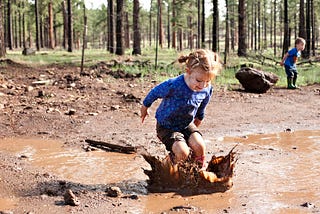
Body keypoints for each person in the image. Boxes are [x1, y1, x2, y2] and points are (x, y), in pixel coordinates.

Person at [140, 49, 221, 169]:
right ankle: (170, 172)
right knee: (183, 152)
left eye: (207, 81)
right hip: (167, 126)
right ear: (188, 72)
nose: (202, 86)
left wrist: (198, 121)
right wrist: (145, 107)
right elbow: (154, 93)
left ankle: (197, 172)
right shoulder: (174, 85)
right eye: (199, 80)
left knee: (200, 146)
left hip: (186, 124)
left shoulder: (206, 89)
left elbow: (201, 107)